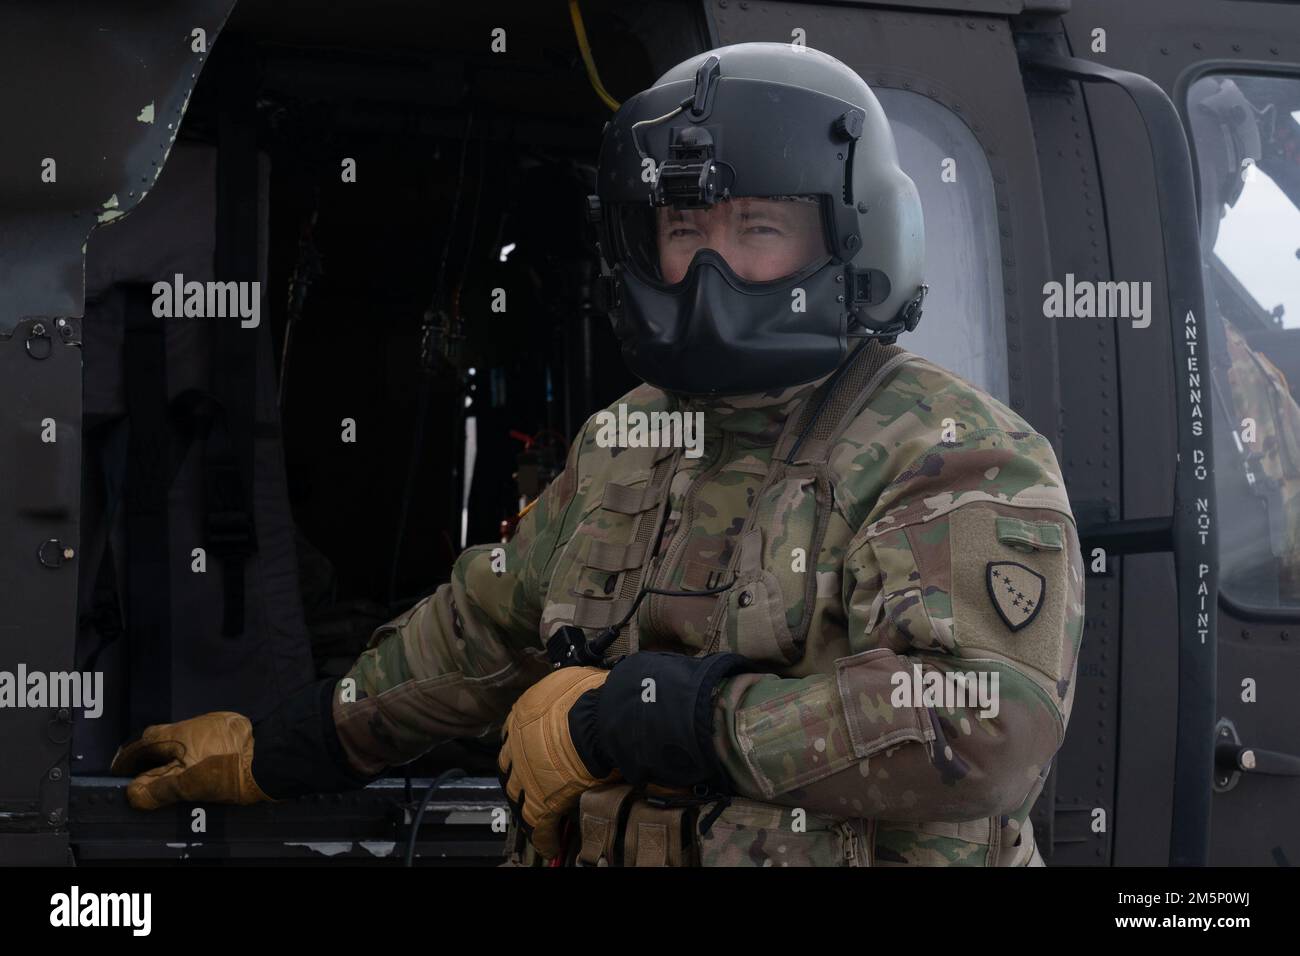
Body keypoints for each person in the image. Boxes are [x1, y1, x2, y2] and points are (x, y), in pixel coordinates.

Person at [112, 42, 1084, 867]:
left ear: (850, 237)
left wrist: (638, 716)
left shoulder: (948, 449)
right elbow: (480, 631)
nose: (709, 270)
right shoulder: (629, 440)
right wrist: (292, 743)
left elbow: (984, 728)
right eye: (682, 230)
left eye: (756, 230)